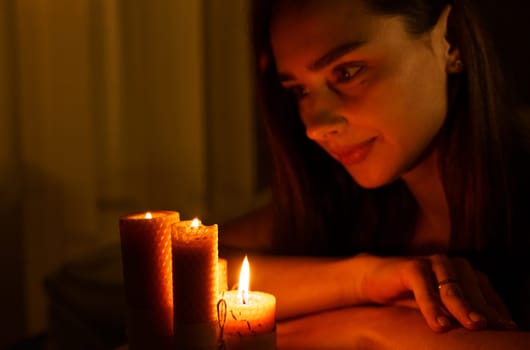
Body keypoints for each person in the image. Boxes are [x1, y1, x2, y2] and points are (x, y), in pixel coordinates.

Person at [219, 0, 530, 345]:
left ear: (450, 41)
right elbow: (181, 267)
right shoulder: (346, 205)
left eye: (348, 72)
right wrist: (364, 280)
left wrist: (370, 326)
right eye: (299, 91)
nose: (315, 127)